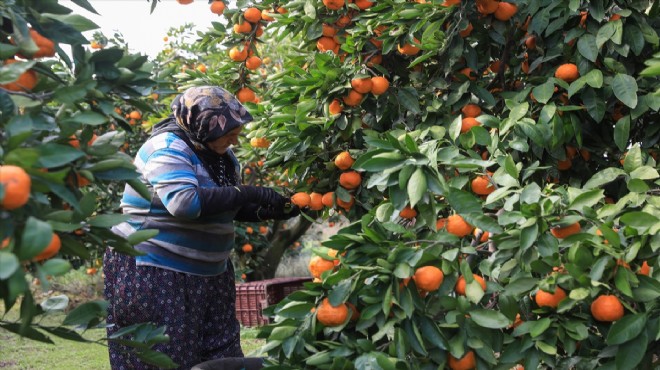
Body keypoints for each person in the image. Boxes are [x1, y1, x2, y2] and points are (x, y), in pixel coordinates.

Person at [103, 86, 299, 369]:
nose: (236, 137)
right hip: (156, 272)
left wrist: (274, 208)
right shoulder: (166, 148)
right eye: (228, 130)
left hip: (210, 274)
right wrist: (250, 193)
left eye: (236, 128)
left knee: (221, 356)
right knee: (166, 357)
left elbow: (223, 204)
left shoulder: (221, 154)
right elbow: (185, 203)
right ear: (201, 125)